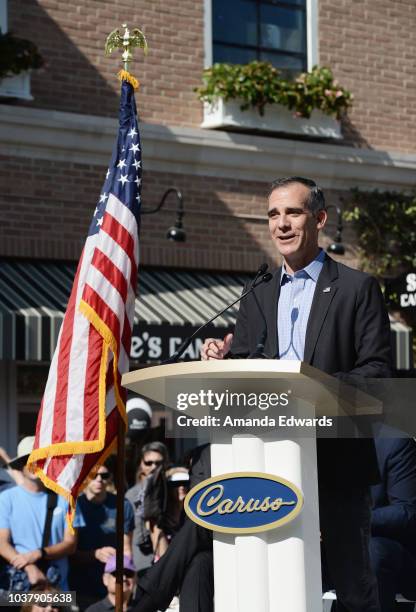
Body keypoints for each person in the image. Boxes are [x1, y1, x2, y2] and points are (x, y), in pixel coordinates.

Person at [134, 176, 392, 612]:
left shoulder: (355, 289)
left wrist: (315, 388)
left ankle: (148, 595)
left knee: (352, 589)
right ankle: (150, 596)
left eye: (293, 212)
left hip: (334, 460)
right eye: (273, 214)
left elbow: (377, 372)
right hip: (262, 455)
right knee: (254, 578)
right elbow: (248, 369)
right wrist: (221, 359)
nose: (281, 224)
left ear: (320, 219)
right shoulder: (258, 291)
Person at [0, 436, 82, 592]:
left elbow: (71, 544)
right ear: (20, 466)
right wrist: (29, 567)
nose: (33, 465)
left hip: (58, 590)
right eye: (28, 460)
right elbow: (1, 542)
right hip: (22, 587)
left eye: (40, 460)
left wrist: (38, 554)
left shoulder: (66, 499)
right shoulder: (6, 498)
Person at [69, 460, 134, 609]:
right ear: (84, 478)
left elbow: (127, 550)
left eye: (104, 475)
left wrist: (127, 581)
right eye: (93, 475)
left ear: (110, 478)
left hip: (114, 587)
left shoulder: (122, 505)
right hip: (81, 585)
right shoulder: (74, 506)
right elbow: (68, 552)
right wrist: (95, 554)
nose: (99, 479)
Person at [370, 435, 416, 612]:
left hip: (388, 549)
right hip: (326, 546)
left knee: (373, 552)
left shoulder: (393, 442)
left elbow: (406, 511)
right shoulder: (305, 444)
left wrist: (352, 521)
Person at [125, 442, 169, 574]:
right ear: (141, 464)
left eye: (158, 463)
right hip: (142, 562)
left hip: (170, 557)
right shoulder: (133, 494)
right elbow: (135, 536)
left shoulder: (173, 489)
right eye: (148, 463)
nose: (154, 467)